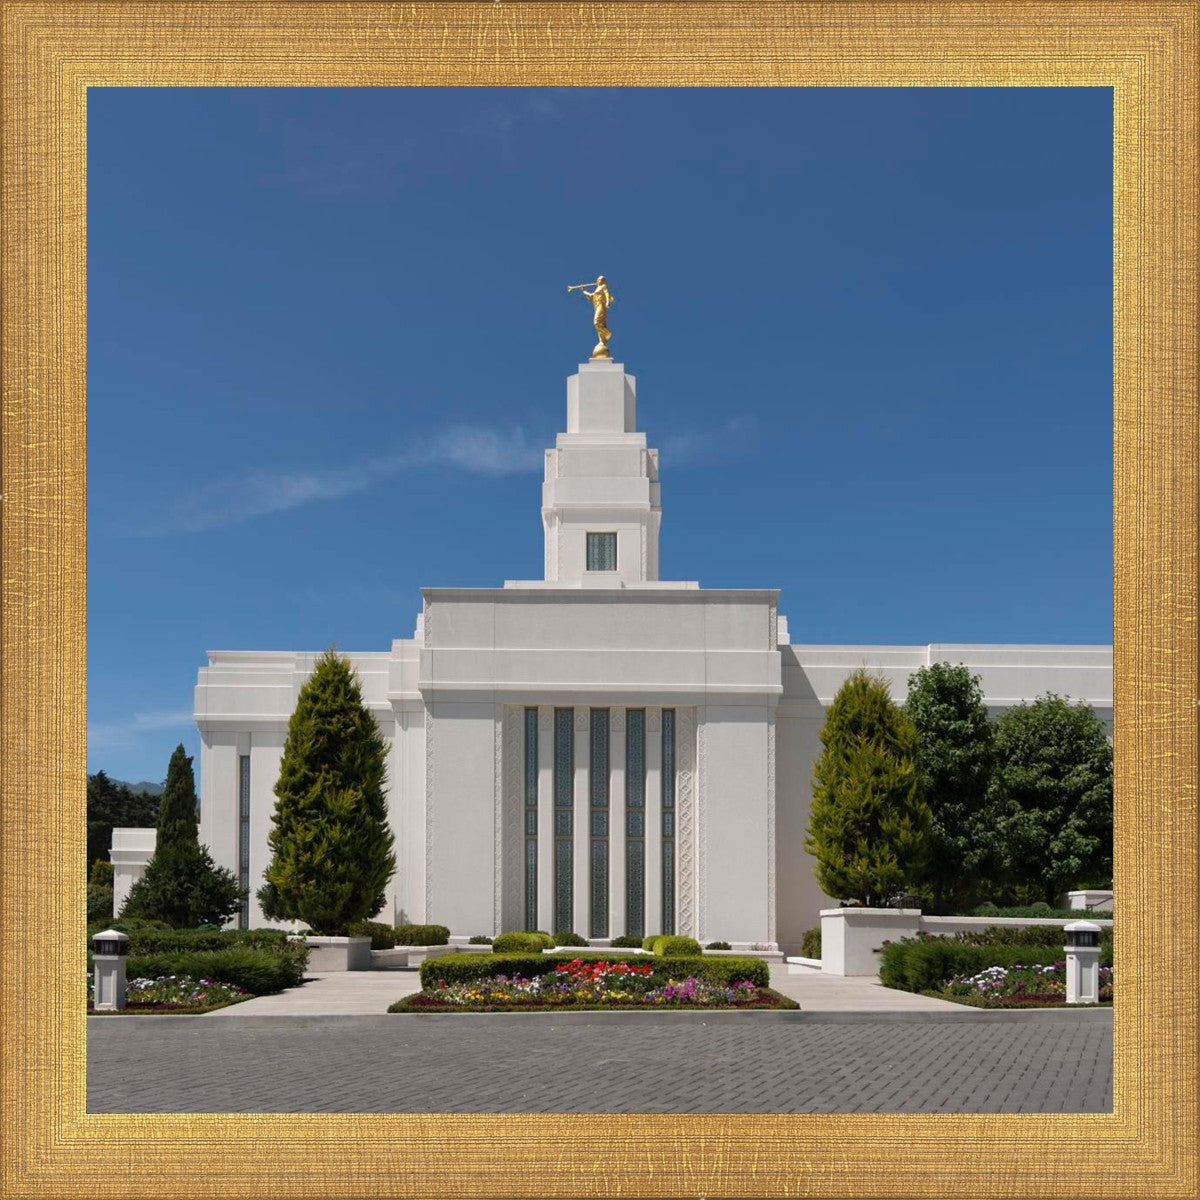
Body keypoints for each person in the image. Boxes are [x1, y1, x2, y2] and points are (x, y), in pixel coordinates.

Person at [572, 275, 615, 358]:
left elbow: (607, 293)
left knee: (596, 322)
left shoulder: (603, 286)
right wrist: (583, 290)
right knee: (598, 323)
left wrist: (607, 302)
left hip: (601, 306)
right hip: (597, 306)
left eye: (601, 280)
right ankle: (602, 340)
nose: (599, 281)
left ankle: (607, 333)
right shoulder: (597, 289)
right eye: (598, 279)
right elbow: (591, 296)